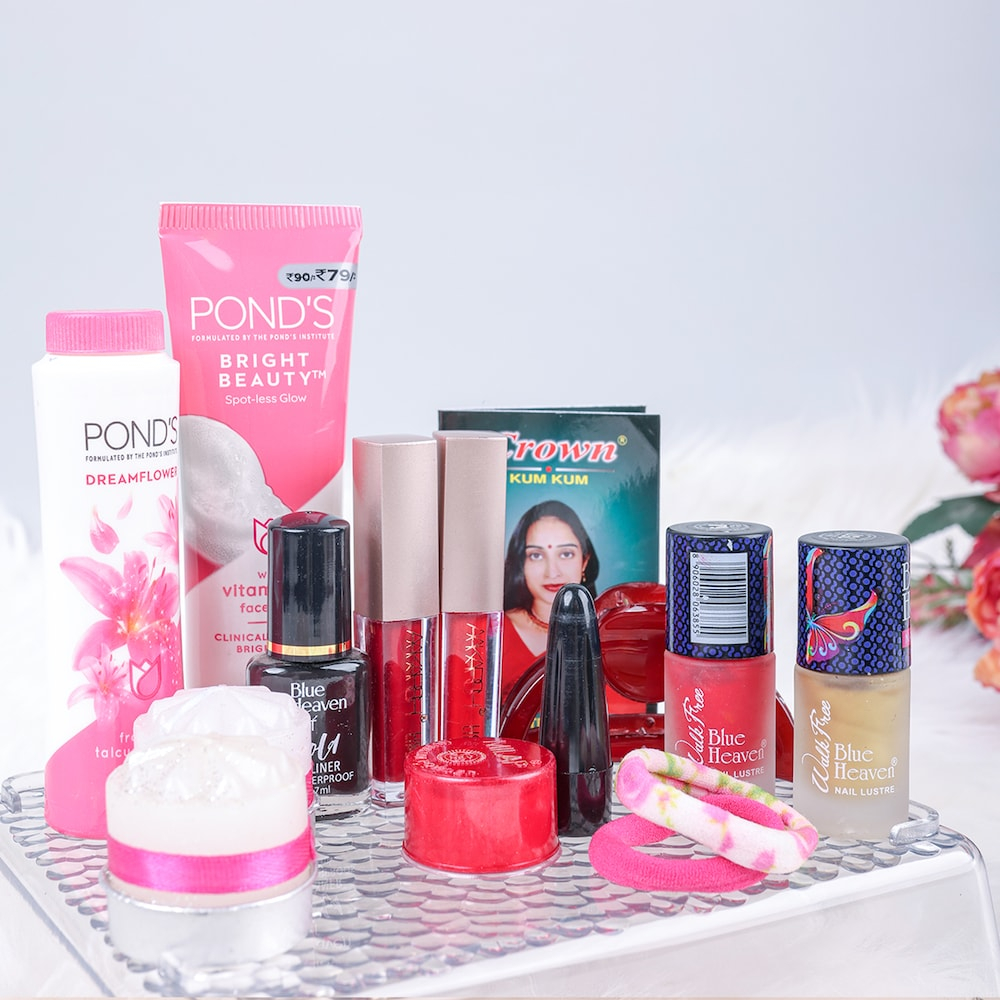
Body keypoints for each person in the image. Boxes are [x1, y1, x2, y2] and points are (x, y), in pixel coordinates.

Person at [501, 500, 599, 702]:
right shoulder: (493, 633)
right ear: (521, 564)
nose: (552, 572)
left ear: (585, 561)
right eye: (536, 555)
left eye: (566, 554)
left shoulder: (610, 632)